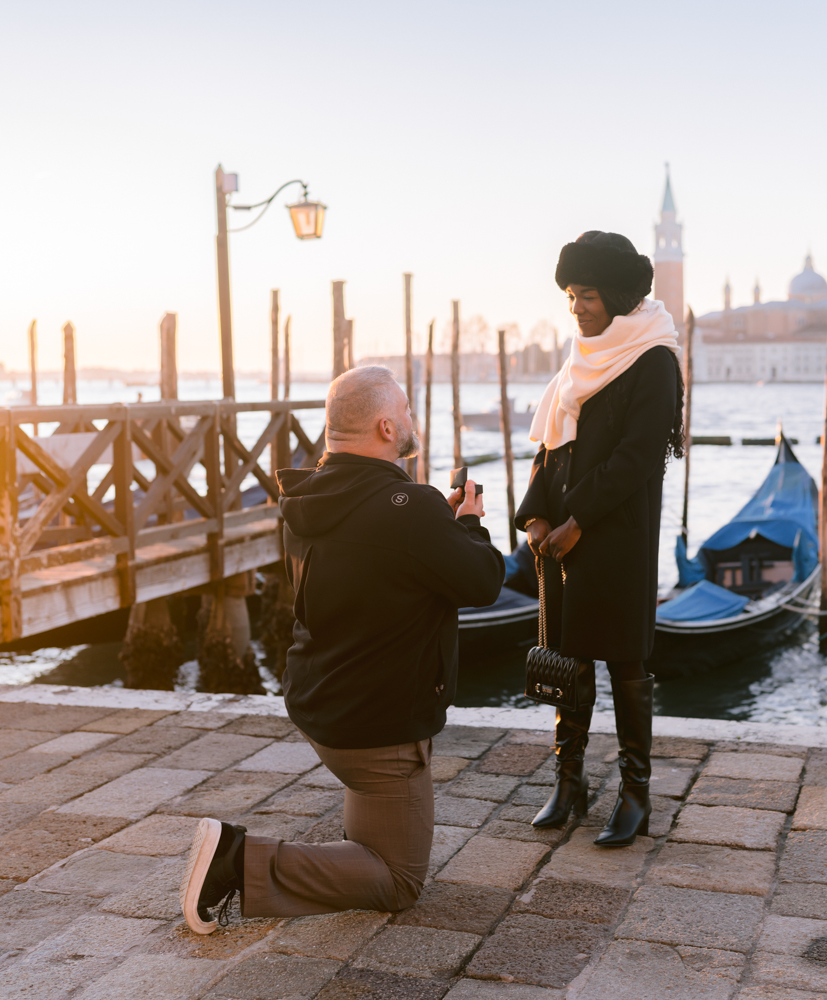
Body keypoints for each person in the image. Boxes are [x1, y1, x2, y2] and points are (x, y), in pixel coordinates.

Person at [180, 365, 504, 933]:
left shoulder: (308, 495)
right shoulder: (410, 505)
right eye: (404, 410)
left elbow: (383, 561)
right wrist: (469, 525)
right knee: (399, 880)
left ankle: (361, 843)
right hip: (378, 724)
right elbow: (482, 581)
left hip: (322, 702)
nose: (410, 418)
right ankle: (234, 860)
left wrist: (438, 527)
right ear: (385, 425)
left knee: (372, 837)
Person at [517, 231, 685, 847]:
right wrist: (536, 515)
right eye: (569, 295)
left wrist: (578, 519)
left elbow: (639, 456)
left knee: (625, 659)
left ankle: (635, 792)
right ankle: (570, 782)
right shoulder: (581, 356)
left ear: (615, 294)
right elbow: (550, 445)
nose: (577, 307)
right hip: (562, 532)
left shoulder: (654, 357)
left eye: (587, 295)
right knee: (570, 654)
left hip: (617, 530)